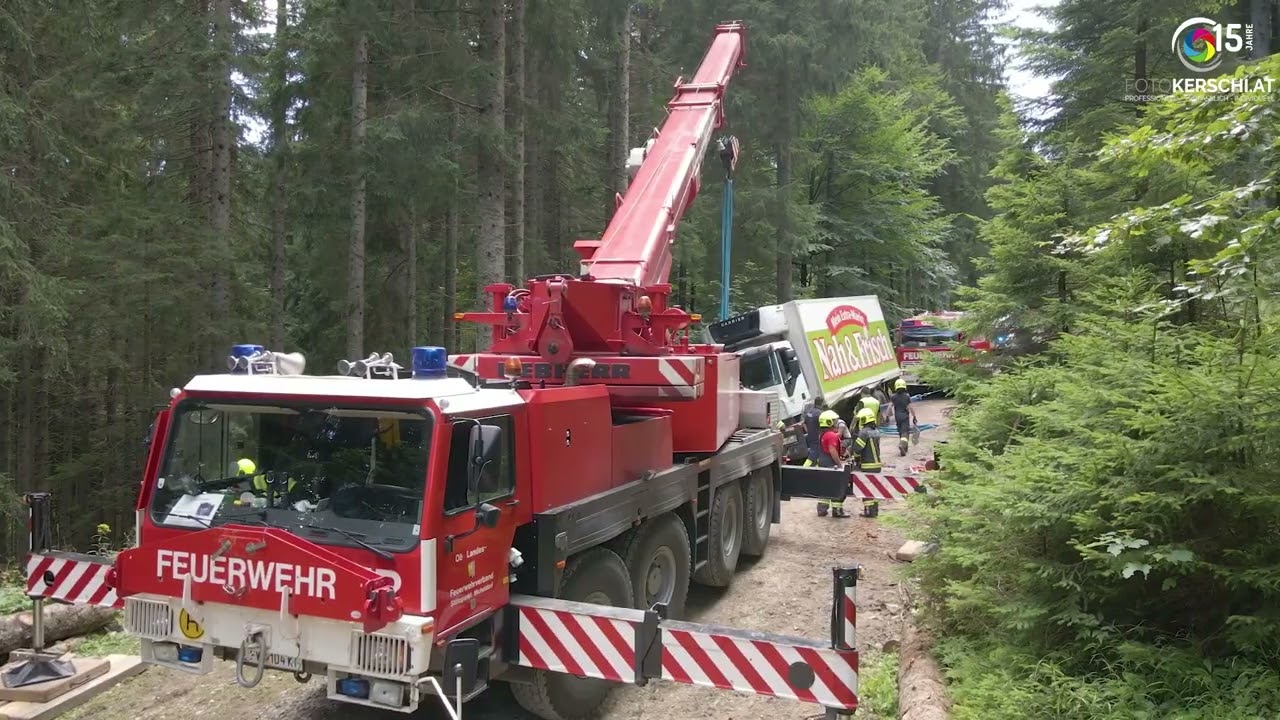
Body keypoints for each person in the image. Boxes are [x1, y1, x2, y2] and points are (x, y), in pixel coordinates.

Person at [816, 410, 849, 518]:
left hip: (823, 463)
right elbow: (832, 450)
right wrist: (839, 465)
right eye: (834, 421)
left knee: (825, 487)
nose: (836, 423)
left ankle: (822, 509)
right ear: (829, 422)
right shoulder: (831, 435)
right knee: (836, 487)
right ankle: (837, 511)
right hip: (830, 465)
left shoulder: (822, 434)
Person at [890, 378, 917, 456]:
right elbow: (910, 407)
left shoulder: (893, 397)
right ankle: (902, 445)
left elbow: (889, 407)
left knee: (901, 432)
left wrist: (888, 416)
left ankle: (905, 448)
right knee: (905, 433)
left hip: (897, 417)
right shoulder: (907, 396)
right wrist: (914, 416)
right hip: (905, 417)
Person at [852, 408, 882, 475]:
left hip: (867, 466)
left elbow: (857, 449)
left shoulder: (864, 433)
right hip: (878, 466)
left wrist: (855, 439)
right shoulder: (876, 431)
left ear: (863, 419)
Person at [801, 398, 828, 467]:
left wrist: (808, 431)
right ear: (821, 404)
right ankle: (804, 468)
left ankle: (817, 468)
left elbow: (804, 423)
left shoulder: (809, 412)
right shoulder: (820, 414)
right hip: (817, 437)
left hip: (811, 436)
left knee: (817, 453)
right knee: (813, 454)